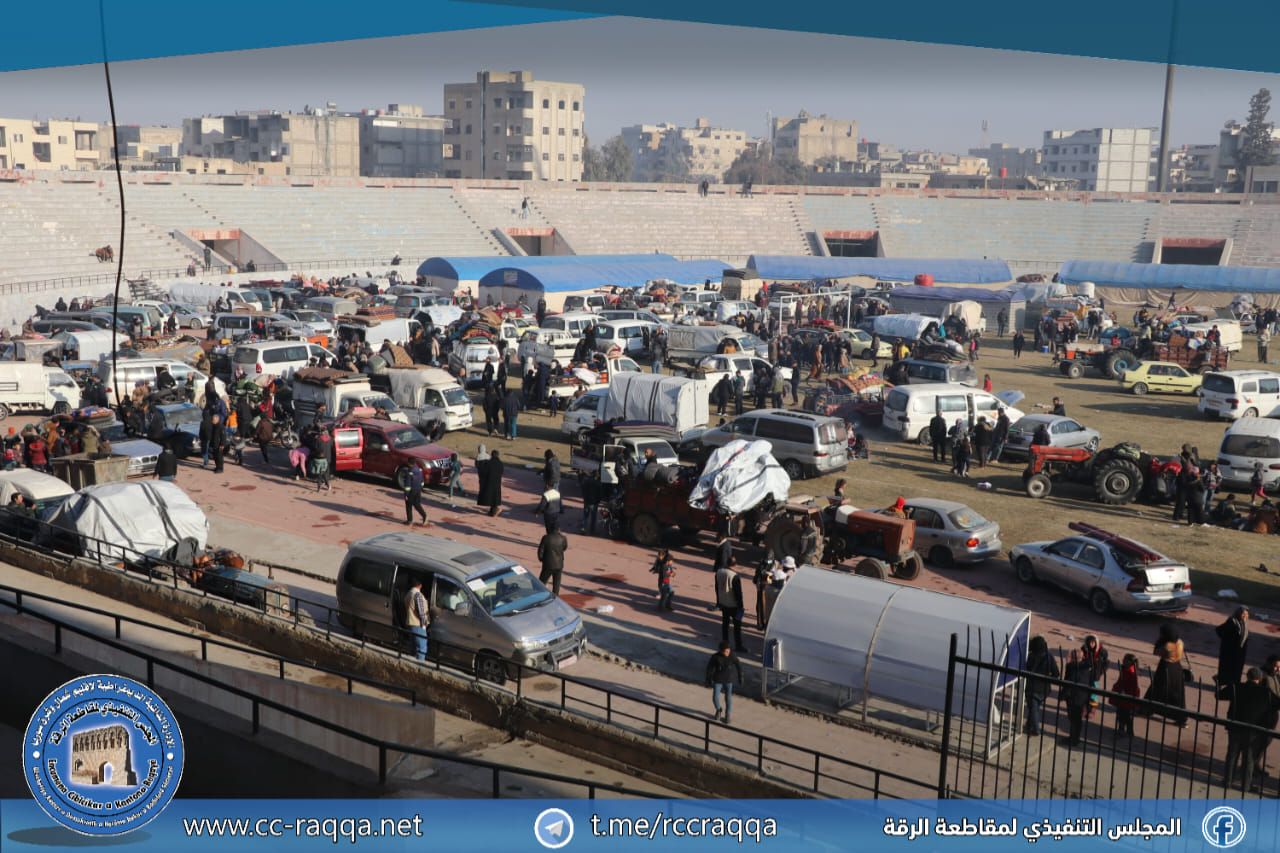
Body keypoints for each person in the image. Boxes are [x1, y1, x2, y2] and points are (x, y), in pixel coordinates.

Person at [1223, 667, 1280, 793]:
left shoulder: (1237, 687)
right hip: (1253, 730)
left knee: (1232, 754)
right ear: (1260, 679)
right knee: (1248, 758)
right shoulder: (1265, 693)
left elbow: (1220, 695)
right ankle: (1246, 785)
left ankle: (1227, 781)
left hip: (1235, 726)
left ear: (1247, 676)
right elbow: (1277, 704)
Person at [1146, 623, 1189, 728]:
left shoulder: (1167, 646)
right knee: (1177, 694)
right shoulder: (1180, 642)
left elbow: (1156, 651)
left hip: (1166, 668)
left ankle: (1146, 709)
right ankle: (1181, 718)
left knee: (1157, 690)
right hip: (1177, 668)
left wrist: (1159, 641)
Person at [1024, 635, 1059, 736]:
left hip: (1032, 686)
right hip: (1044, 688)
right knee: (1034, 707)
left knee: (1033, 708)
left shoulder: (1031, 656)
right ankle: (1029, 724)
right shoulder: (1049, 656)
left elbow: (1026, 669)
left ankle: (1036, 729)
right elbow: (1056, 673)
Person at [705, 641, 744, 725]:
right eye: (725, 651)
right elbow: (710, 668)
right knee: (715, 697)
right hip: (718, 679)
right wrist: (708, 679)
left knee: (728, 698)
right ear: (721, 651)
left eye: (728, 651)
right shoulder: (715, 657)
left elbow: (738, 665)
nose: (727, 653)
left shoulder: (732, 656)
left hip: (728, 679)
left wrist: (741, 676)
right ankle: (718, 709)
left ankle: (727, 714)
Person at [1216, 606, 1250, 697]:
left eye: (1246, 614)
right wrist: (1228, 642)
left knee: (1237, 670)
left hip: (1240, 652)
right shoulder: (1232, 622)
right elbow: (1219, 630)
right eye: (1243, 614)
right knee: (1227, 670)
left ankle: (1234, 687)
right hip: (1229, 652)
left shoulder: (1245, 623)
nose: (1245, 616)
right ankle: (1224, 686)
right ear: (1238, 613)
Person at [1060, 649, 1092, 747]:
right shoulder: (1086, 667)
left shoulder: (1072, 667)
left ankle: (1073, 738)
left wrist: (1063, 695)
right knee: (1077, 719)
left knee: (1074, 719)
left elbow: (1068, 683)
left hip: (1074, 697)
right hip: (1083, 696)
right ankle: (1074, 737)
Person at [714, 558, 747, 653]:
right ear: (735, 565)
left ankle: (725, 644)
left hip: (723, 602)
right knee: (737, 626)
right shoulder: (734, 576)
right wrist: (741, 606)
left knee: (725, 624)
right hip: (733, 605)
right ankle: (738, 645)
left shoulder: (719, 572)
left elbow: (717, 588)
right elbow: (738, 593)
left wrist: (718, 601)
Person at [1109, 653, 1142, 741]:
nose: (1123, 660)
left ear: (1130, 662)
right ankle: (1123, 729)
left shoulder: (1131, 672)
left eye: (1125, 659)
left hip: (1127, 696)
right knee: (1122, 713)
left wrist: (1124, 691)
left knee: (1126, 715)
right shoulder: (1126, 669)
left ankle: (1126, 731)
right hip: (1123, 695)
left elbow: (1132, 686)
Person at [1080, 634, 1110, 719]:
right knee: (1084, 691)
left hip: (1095, 675)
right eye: (1090, 642)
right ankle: (1084, 708)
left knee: (1093, 693)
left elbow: (1106, 663)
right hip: (1085, 674)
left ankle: (1091, 709)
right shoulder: (1084, 649)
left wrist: (1100, 672)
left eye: (1093, 642)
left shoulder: (1102, 652)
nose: (1091, 644)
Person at [536, 523, 569, 597]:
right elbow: (564, 547)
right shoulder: (563, 538)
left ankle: (539, 595)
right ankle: (555, 597)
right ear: (559, 529)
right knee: (556, 583)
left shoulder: (546, 538)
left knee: (542, 581)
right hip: (559, 564)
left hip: (548, 563)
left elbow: (541, 550)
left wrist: (541, 559)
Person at [404, 579, 429, 661]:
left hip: (410, 623)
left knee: (413, 648)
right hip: (418, 624)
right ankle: (420, 665)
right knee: (421, 648)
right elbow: (421, 612)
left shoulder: (409, 593)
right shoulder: (418, 595)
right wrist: (424, 624)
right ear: (420, 585)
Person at [401, 461, 428, 526]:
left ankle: (409, 521)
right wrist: (420, 488)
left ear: (409, 463)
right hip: (418, 490)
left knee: (408, 505)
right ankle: (424, 516)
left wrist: (406, 494)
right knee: (417, 504)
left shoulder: (409, 472)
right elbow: (422, 481)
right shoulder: (420, 470)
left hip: (411, 491)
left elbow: (408, 485)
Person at [479, 449, 504, 517]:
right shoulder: (500, 463)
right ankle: (492, 511)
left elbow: (484, 472)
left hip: (489, 482)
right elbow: (501, 471)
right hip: (497, 482)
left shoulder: (489, 463)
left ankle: (495, 509)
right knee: (495, 496)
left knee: (490, 496)